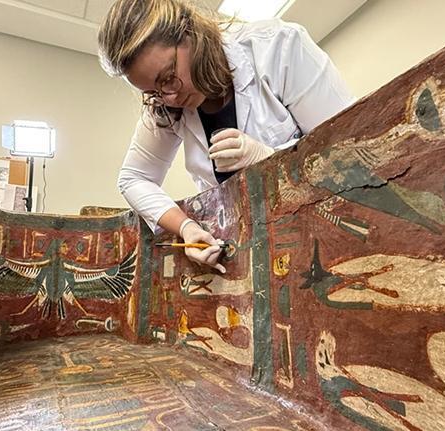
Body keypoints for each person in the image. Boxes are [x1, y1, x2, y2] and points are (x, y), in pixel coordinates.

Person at [97, 0, 354, 273]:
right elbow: (133, 178)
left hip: (325, 229)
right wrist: (186, 227)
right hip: (252, 250)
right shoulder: (163, 105)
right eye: (153, 92)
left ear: (189, 33)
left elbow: (349, 143)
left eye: (168, 77)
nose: (169, 98)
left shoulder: (278, 47)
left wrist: (270, 158)